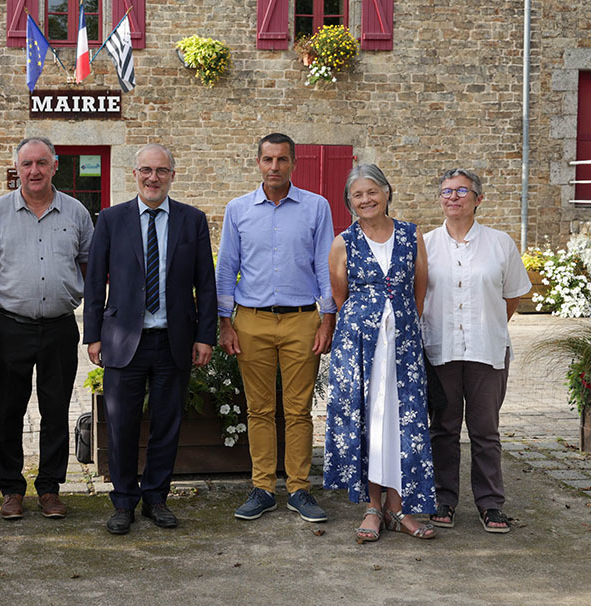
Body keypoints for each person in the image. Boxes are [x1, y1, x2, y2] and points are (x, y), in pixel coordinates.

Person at [83, 143, 217, 535]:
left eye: (161, 171)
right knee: (121, 425)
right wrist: (93, 335)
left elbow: (204, 285)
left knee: (167, 424)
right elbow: (95, 283)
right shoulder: (110, 219)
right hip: (124, 340)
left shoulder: (192, 220)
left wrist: (204, 335)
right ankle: (123, 502)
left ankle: (156, 498)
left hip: (173, 339)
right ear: (135, 174)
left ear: (172, 175)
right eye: (146, 170)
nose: (153, 177)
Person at [216, 132, 335, 523]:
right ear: (258, 162)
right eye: (268, 159)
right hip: (251, 321)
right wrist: (225, 323)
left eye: (282, 160)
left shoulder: (317, 207)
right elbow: (226, 268)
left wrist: (327, 317)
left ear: (293, 163)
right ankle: (263, 487)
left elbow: (324, 265)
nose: (274, 167)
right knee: (259, 409)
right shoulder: (238, 210)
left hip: (303, 319)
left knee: (299, 410)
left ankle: (299, 488)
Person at [0, 137, 93, 521]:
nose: (35, 171)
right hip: (12, 326)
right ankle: (11, 489)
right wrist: (15, 293)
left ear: (55, 165)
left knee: (56, 409)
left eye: (42, 163)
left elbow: (89, 266)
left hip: (60, 328)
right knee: (9, 410)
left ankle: (50, 488)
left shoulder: (77, 212)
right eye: (27, 164)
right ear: (17, 169)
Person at [323, 164, 436, 543]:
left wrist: (400, 324)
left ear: (387, 192)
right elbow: (341, 298)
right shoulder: (343, 242)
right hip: (359, 346)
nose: (366, 199)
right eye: (357, 195)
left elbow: (420, 288)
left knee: (402, 420)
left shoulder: (411, 235)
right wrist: (369, 323)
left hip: (402, 344)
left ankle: (399, 507)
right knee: (370, 421)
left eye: (373, 191)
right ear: (349, 202)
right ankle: (373, 507)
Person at [423, 168, 531, 534]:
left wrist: (489, 326)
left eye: (461, 191)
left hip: (487, 349)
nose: (452, 197)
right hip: (441, 350)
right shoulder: (426, 244)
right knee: (443, 428)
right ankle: (444, 499)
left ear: (478, 199)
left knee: (485, 430)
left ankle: (490, 503)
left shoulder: (500, 243)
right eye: (446, 191)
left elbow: (512, 295)